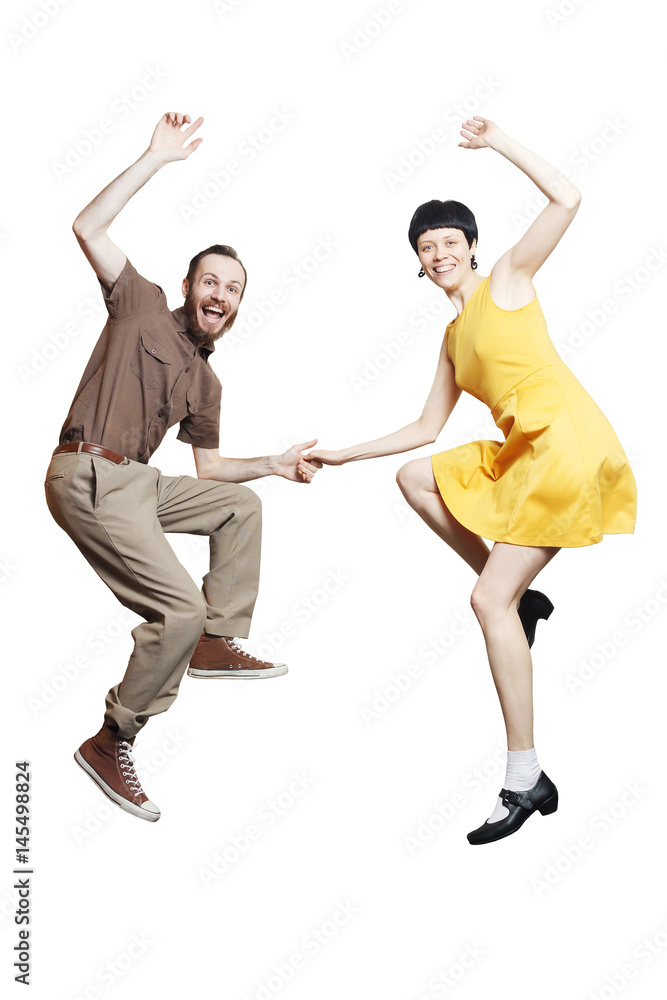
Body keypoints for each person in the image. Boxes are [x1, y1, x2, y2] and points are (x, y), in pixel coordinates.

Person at [306, 116, 637, 845]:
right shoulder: (453, 338)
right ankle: (519, 599)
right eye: (426, 248)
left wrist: (498, 142)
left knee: (486, 601)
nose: (439, 254)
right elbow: (425, 429)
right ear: (419, 266)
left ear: (471, 247)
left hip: (566, 448)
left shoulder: (509, 281)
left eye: (449, 242)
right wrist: (340, 453)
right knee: (414, 476)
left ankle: (526, 777)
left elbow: (567, 198)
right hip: (526, 453)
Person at [43, 111, 320, 823]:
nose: (220, 296)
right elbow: (87, 226)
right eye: (211, 281)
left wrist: (275, 463)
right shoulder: (137, 306)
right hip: (88, 472)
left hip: (136, 483)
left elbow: (211, 469)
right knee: (176, 605)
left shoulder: (206, 383)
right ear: (188, 284)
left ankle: (212, 640)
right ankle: (113, 739)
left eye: (233, 290)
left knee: (241, 508)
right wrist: (154, 158)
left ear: (237, 307)